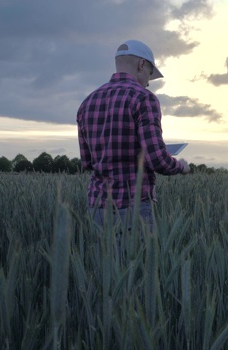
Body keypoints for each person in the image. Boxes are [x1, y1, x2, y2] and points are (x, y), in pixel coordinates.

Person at [77, 39, 190, 231]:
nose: (147, 83)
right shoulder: (144, 99)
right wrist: (182, 167)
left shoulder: (87, 102)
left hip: (97, 206)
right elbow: (157, 160)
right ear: (141, 65)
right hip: (133, 206)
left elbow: (87, 162)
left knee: (105, 261)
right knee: (137, 261)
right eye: (150, 74)